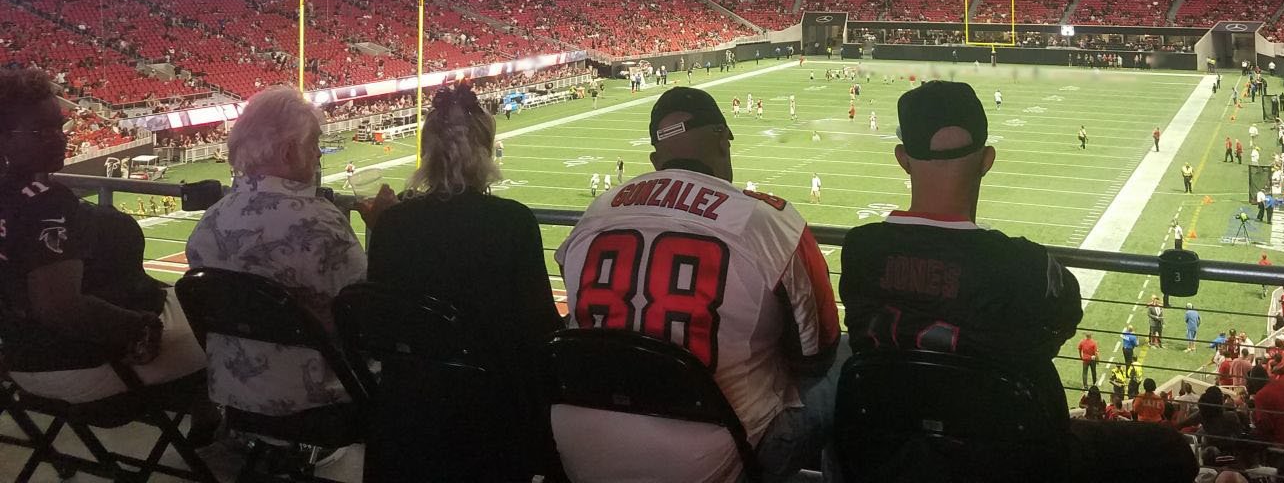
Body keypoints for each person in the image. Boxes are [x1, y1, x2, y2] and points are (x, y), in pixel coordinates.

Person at [838, 79, 1194, 482]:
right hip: (1006, 453)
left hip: (892, 449)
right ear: (987, 160)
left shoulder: (859, 250)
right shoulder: (1025, 265)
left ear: (903, 159)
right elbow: (1055, 330)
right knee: (1170, 451)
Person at [553, 87, 840, 483]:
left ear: (655, 158)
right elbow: (817, 352)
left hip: (580, 444)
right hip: (718, 456)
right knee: (846, 363)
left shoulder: (596, 213)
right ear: (722, 139)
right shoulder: (765, 219)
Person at [367, 82, 562, 480]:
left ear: (427, 153)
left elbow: (382, 323)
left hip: (409, 409)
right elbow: (538, 328)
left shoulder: (393, 223)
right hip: (490, 411)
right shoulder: (512, 221)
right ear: (485, 150)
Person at [0, 68, 206, 403]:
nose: (60, 136)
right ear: (4, 137)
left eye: (59, 125)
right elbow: (59, 307)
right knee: (218, 330)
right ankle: (236, 431)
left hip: (18, 360)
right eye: (41, 130)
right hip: (71, 365)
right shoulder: (47, 202)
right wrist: (140, 327)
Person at [186, 86, 391, 415]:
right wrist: (385, 230)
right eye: (313, 144)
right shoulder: (320, 224)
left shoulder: (209, 224)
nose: (319, 154)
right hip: (316, 396)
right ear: (287, 153)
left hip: (232, 391)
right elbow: (370, 315)